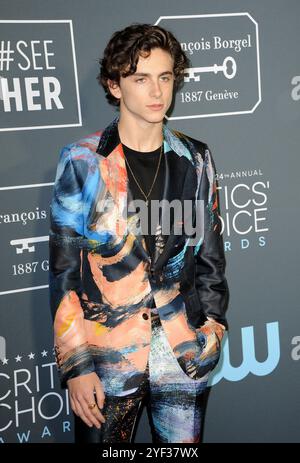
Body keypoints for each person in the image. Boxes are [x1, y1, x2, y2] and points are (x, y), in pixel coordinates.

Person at [48, 23, 229, 443]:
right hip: (106, 360)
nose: (157, 92)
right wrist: (77, 366)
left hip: (185, 351)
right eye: (140, 79)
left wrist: (214, 328)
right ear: (115, 85)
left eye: (165, 77)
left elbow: (211, 257)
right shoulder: (82, 162)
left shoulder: (196, 157)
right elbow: (63, 274)